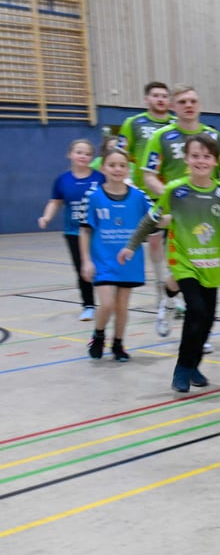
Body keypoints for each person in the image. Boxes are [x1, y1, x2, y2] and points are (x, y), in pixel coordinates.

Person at [120, 134, 220, 393]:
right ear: (186, 159)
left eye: (207, 156)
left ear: (215, 162)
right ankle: (182, 368)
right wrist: (131, 246)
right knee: (196, 312)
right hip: (184, 263)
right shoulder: (175, 191)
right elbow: (150, 220)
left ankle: (194, 365)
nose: (201, 160)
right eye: (195, 155)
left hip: (212, 268)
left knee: (208, 320)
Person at [142, 84, 220, 339]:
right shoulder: (161, 136)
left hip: (209, 215)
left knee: (204, 266)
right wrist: (175, 202)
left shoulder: (213, 137)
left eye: (193, 100)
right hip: (179, 215)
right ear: (173, 106)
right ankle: (171, 305)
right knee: (184, 269)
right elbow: (148, 175)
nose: (188, 105)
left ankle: (193, 325)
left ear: (200, 105)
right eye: (182, 101)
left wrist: (216, 195)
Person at [79, 147, 152, 361]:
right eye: (112, 165)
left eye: (122, 165)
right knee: (107, 303)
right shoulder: (92, 196)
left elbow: (155, 218)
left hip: (129, 259)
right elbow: (85, 230)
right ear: (103, 168)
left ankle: (118, 344)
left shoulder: (139, 196)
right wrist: (86, 261)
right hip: (102, 260)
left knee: (122, 306)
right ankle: (98, 335)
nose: (117, 169)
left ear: (128, 168)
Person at [117, 81, 175, 318]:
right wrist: (127, 181)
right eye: (155, 95)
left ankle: (173, 292)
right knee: (152, 242)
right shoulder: (134, 123)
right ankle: (160, 293)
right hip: (145, 193)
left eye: (164, 96)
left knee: (176, 243)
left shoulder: (175, 124)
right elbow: (120, 153)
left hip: (172, 193)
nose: (160, 99)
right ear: (146, 100)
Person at [37, 139, 104, 321]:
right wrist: (47, 217)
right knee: (82, 269)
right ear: (70, 154)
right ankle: (88, 305)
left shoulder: (99, 178)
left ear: (92, 157)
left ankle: (108, 303)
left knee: (103, 267)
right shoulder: (62, 180)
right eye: (79, 152)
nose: (83, 156)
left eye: (87, 153)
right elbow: (55, 202)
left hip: (99, 232)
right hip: (74, 232)